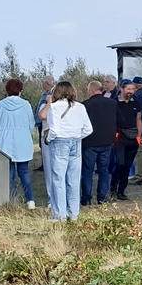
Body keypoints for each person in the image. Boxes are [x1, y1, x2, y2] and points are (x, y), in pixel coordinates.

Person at [41, 81, 93, 221]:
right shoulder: (81, 107)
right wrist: (76, 137)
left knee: (58, 179)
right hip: (76, 142)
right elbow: (88, 129)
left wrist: (49, 139)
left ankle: (59, 215)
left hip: (59, 142)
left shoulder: (55, 107)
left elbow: (54, 129)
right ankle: (73, 213)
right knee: (74, 180)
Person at [0, 79, 38, 210]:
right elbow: (31, 124)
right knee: (24, 173)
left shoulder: (0, 105)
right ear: (20, 90)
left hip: (4, 141)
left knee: (9, 174)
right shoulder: (26, 105)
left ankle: (9, 201)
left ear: (7, 90)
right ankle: (30, 201)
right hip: (22, 141)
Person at [81, 81, 117, 206]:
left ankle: (86, 198)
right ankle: (102, 197)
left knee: (87, 171)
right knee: (104, 171)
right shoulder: (113, 103)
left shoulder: (85, 105)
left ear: (91, 91)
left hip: (90, 142)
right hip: (107, 142)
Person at [111, 80, 142, 201]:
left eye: (133, 89)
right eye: (128, 89)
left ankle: (121, 192)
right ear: (121, 89)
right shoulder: (114, 103)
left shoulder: (136, 102)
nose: (131, 92)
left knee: (127, 166)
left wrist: (139, 137)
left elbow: (138, 120)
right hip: (120, 137)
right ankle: (112, 190)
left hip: (133, 137)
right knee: (119, 164)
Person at [34, 76, 54, 172]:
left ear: (47, 83)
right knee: (42, 144)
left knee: (45, 144)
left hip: (45, 122)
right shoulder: (45, 94)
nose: (42, 84)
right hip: (41, 121)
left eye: (43, 82)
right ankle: (44, 163)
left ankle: (47, 164)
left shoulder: (51, 93)